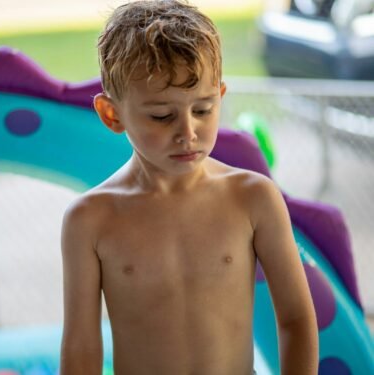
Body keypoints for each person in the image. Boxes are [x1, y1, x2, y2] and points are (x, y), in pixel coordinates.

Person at [59, 1, 319, 374]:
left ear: (220, 97)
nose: (187, 132)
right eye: (162, 115)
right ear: (111, 114)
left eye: (202, 109)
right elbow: (82, 347)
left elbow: (295, 319)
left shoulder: (253, 199)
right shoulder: (90, 220)